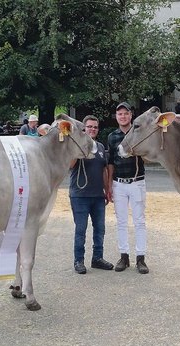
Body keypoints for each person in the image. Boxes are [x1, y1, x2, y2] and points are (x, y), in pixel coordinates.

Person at [107, 102, 149, 274]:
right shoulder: (112, 137)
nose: (123, 116)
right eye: (119, 114)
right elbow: (110, 163)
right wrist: (108, 185)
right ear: (116, 117)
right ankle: (124, 256)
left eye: (125, 113)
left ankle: (141, 258)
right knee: (122, 222)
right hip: (119, 184)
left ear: (131, 115)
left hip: (137, 181)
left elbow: (148, 157)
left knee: (139, 221)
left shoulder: (139, 133)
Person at [69, 115, 114, 274]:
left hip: (97, 196)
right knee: (81, 229)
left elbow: (104, 170)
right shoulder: (76, 145)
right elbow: (70, 165)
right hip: (79, 195)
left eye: (95, 127)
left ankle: (97, 258)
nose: (92, 129)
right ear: (84, 129)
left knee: (100, 229)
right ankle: (78, 260)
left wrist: (107, 189)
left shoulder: (101, 147)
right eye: (89, 127)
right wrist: (79, 149)